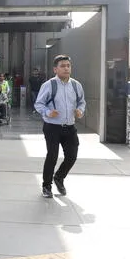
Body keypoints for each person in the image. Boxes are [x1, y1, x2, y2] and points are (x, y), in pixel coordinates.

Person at [34, 55, 86, 198]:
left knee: (72, 156)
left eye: (68, 65)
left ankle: (59, 177)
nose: (66, 68)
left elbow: (82, 102)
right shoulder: (49, 85)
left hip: (69, 127)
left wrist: (80, 111)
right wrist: (48, 112)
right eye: (62, 66)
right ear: (55, 69)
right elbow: (39, 104)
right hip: (52, 127)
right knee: (52, 156)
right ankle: (46, 186)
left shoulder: (76, 85)